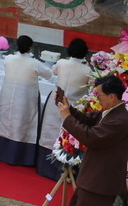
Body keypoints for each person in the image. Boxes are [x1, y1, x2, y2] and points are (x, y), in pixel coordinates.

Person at [58, 75, 128, 206]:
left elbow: (91, 137)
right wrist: (69, 110)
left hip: (103, 179)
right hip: (94, 175)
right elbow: (88, 120)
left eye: (99, 94)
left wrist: (67, 118)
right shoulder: (110, 113)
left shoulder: (120, 119)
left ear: (112, 96)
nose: (96, 97)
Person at [0, 35, 53, 166]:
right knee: (21, 124)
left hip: (7, 97)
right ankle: (19, 157)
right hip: (25, 100)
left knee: (5, 121)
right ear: (30, 48)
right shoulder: (34, 63)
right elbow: (48, 75)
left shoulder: (8, 58)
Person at [37, 38, 94, 178]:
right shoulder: (87, 69)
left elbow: (54, 72)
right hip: (74, 106)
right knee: (68, 136)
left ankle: (44, 167)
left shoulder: (62, 62)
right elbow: (92, 85)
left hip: (56, 100)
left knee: (50, 130)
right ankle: (66, 171)